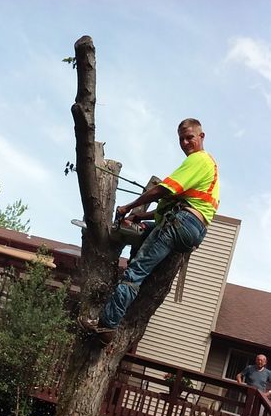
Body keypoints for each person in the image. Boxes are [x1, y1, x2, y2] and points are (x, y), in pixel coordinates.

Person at [79, 118, 220, 343]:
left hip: (180, 222)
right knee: (145, 229)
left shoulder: (199, 160)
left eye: (190, 137)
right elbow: (172, 207)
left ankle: (106, 326)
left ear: (201, 136)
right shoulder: (208, 170)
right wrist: (140, 216)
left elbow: (161, 191)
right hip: (191, 228)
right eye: (181, 139)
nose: (185, 142)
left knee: (136, 272)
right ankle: (138, 238)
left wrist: (128, 207)